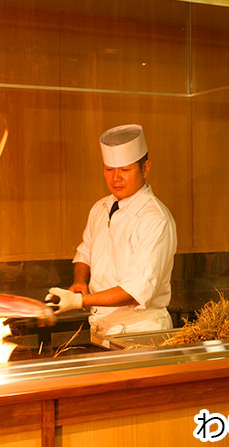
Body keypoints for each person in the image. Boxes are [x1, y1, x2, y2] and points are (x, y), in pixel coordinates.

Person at [45, 124, 177, 335]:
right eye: (109, 170)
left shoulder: (155, 219)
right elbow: (85, 252)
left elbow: (136, 289)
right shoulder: (101, 207)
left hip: (141, 330)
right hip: (102, 327)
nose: (116, 178)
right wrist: (80, 281)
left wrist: (79, 300)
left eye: (125, 170)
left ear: (146, 168)